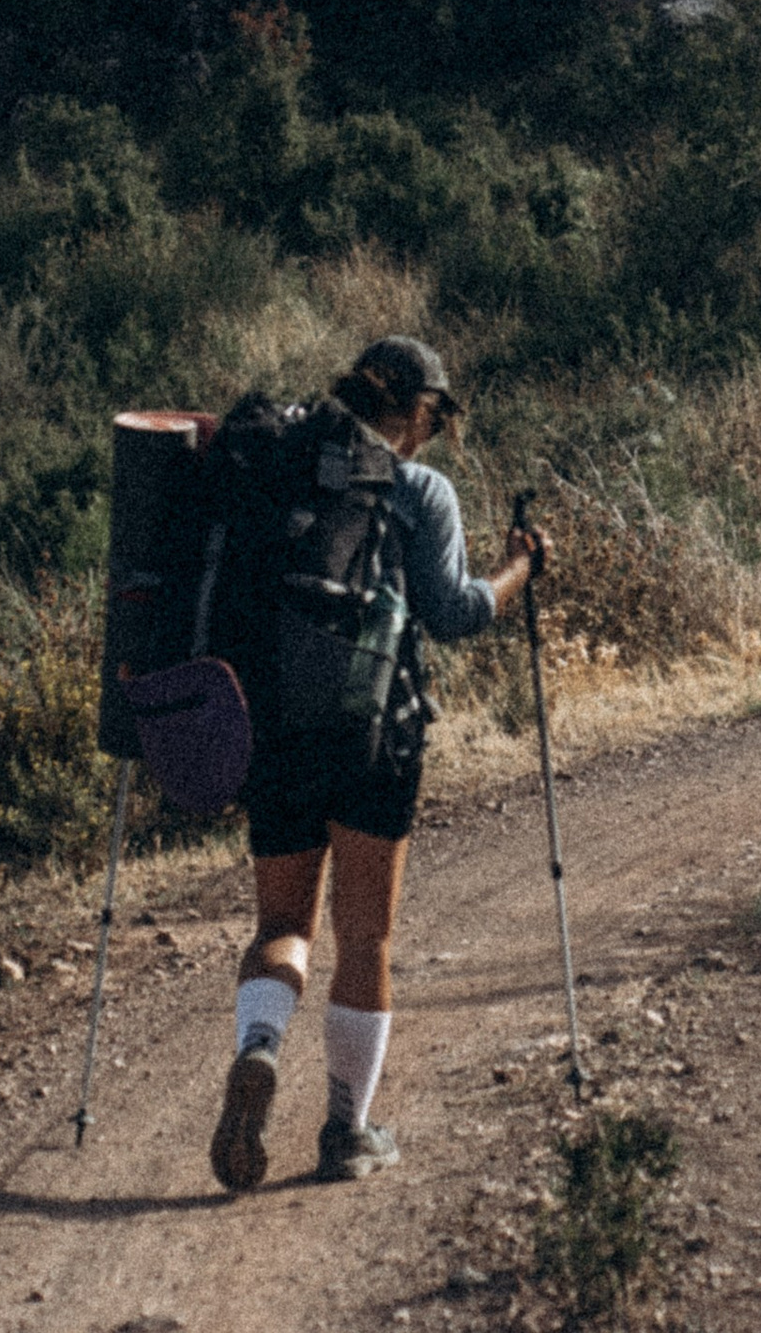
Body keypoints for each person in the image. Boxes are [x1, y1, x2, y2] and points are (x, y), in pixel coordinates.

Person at [209, 335, 549, 1192]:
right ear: (416, 411)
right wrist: (518, 569)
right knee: (365, 938)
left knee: (283, 927)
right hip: (377, 735)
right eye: (436, 416)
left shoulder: (278, 466)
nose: (435, 436)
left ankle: (258, 1049)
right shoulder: (420, 489)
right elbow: (456, 613)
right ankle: (346, 1134)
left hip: (276, 727)